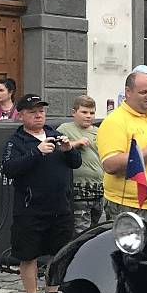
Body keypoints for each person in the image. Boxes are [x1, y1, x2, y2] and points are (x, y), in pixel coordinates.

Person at [1, 94, 81, 293]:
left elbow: (76, 163)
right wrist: (36, 152)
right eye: (33, 112)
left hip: (60, 207)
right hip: (30, 208)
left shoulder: (56, 135)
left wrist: (68, 150)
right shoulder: (16, 142)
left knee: (60, 252)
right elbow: (9, 168)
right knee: (29, 255)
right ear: (22, 115)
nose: (39, 115)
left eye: (42, 111)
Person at [97, 71, 147, 229]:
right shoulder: (114, 121)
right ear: (128, 92)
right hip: (129, 207)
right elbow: (110, 165)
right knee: (132, 255)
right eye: (143, 92)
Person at [57, 95, 103, 235]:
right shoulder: (65, 128)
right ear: (74, 112)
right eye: (84, 112)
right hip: (79, 189)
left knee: (97, 231)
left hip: (99, 188)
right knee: (82, 232)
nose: (88, 116)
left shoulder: (98, 131)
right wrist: (75, 144)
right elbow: (56, 148)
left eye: (92, 112)